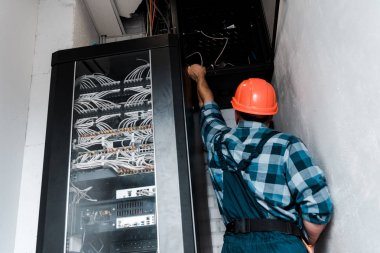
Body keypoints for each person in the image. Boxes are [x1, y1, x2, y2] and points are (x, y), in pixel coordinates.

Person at [186, 64, 333, 253]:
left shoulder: (217, 141)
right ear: (271, 115)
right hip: (284, 243)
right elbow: (318, 205)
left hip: (236, 245)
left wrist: (199, 76)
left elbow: (207, 104)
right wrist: (307, 240)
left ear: (236, 112)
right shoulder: (287, 144)